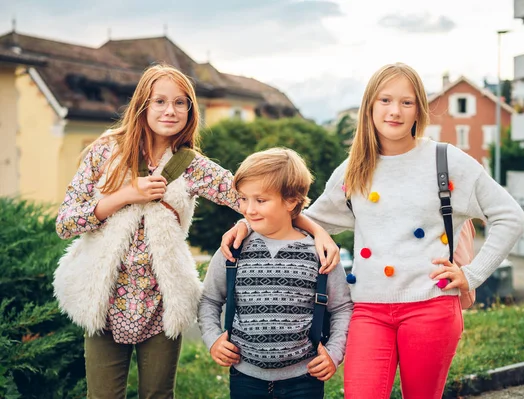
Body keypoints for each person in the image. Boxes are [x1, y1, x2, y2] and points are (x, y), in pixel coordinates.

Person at [221, 63, 524, 399]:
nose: (394, 111)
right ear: (369, 106)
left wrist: (472, 275)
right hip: (368, 309)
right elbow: (298, 216)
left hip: (431, 306)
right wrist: (247, 223)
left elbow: (511, 217)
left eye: (406, 102)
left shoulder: (446, 161)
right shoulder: (354, 168)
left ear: (418, 111)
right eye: (385, 100)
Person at [53, 64, 338, 399]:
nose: (170, 110)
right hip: (104, 295)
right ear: (143, 104)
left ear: (191, 110)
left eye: (180, 102)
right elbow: (66, 223)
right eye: (160, 101)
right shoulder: (106, 151)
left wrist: (317, 231)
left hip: (162, 300)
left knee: (159, 395)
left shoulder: (191, 165)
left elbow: (259, 203)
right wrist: (126, 195)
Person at [200, 148, 353, 399]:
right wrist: (212, 338)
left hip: (304, 379)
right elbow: (209, 299)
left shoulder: (320, 252)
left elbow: (342, 308)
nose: (249, 209)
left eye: (260, 200)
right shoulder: (233, 248)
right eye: (244, 199)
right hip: (245, 377)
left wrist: (334, 353)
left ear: (291, 201)